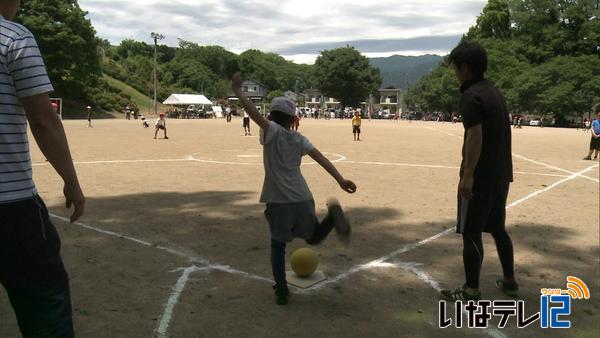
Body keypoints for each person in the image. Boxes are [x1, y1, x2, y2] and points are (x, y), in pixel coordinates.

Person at [232, 73, 357, 305]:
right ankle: (332, 216)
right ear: (293, 120)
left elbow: (253, 113)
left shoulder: (271, 131)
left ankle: (281, 290)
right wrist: (340, 180)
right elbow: (320, 158)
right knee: (313, 237)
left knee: (278, 245)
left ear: (272, 116)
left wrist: (239, 91)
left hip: (278, 200)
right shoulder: (299, 139)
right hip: (302, 197)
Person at [0, 1, 85, 336]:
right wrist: (71, 182)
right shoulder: (13, 37)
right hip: (10, 204)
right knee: (45, 301)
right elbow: (44, 119)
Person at [440, 42, 517, 301]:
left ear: (465, 67)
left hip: (480, 177)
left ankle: (471, 290)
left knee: (472, 232)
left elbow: (475, 135)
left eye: (455, 67)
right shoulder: (494, 91)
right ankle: (509, 281)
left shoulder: (471, 95)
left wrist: (468, 175)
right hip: (500, 174)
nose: (455, 73)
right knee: (497, 228)